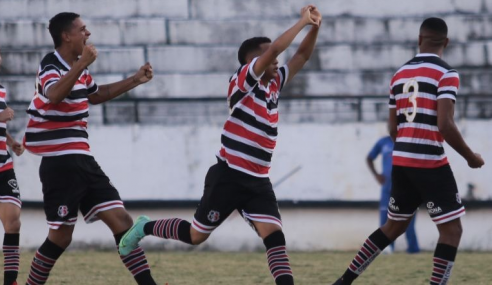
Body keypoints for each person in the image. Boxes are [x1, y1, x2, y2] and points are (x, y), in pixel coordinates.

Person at [119, 5, 322, 285]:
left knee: (275, 237)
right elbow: (276, 49)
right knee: (195, 236)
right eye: (269, 57)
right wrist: (301, 22)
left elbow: (302, 55)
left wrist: (315, 27)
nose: (277, 61)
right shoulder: (243, 81)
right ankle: (145, 226)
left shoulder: (273, 85)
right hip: (229, 175)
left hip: (258, 181)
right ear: (253, 61)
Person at [333, 17, 484, 285]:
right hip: (430, 162)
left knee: (393, 226)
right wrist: (471, 157)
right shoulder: (447, 74)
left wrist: (406, 145)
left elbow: (392, 127)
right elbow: (445, 125)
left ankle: (344, 280)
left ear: (419, 39)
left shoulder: (399, 74)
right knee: (452, 231)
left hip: (400, 160)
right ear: (446, 42)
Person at [23, 12, 157, 285]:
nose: (88, 34)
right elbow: (54, 94)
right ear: (66, 36)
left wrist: (134, 80)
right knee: (61, 237)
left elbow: (96, 94)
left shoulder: (77, 67)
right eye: (83, 29)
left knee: (122, 221)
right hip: (59, 162)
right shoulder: (52, 64)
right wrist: (82, 63)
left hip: (82, 159)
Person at [367, 135, 419, 254]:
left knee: (408, 222)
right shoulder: (383, 142)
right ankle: (386, 248)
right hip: (387, 190)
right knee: (385, 221)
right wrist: (376, 175)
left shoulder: (409, 140)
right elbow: (369, 158)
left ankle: (413, 249)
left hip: (407, 189)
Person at [0, 49, 25, 285]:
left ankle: (10, 281)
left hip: (3, 165)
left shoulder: (0, 89)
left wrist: (11, 141)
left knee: (13, 222)